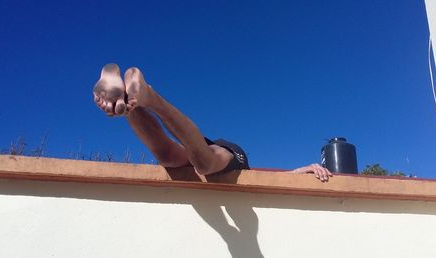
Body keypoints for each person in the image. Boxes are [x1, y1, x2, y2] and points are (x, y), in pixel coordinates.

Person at [93, 64, 332, 181]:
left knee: (173, 156)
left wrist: (302, 169)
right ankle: (146, 97)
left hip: (211, 151)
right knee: (199, 162)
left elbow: (278, 177)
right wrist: (300, 170)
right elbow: (275, 179)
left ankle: (128, 101)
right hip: (228, 156)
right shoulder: (231, 162)